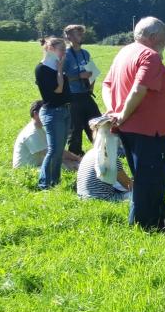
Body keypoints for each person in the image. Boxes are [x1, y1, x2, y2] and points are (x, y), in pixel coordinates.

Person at [102, 16, 165, 231]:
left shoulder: (125, 51)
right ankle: (150, 225)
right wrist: (122, 114)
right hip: (149, 130)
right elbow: (138, 89)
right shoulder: (150, 56)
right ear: (154, 37)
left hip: (133, 128)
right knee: (151, 179)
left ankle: (150, 220)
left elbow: (106, 85)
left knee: (144, 177)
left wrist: (115, 111)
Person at [76, 119, 165, 201]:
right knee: (145, 190)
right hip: (104, 198)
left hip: (84, 196)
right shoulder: (110, 158)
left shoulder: (91, 153)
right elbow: (130, 186)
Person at [34, 37, 72, 189]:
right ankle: (44, 184)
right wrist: (61, 70)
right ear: (50, 49)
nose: (64, 52)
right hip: (52, 113)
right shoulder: (41, 69)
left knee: (59, 150)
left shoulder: (56, 66)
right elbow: (58, 89)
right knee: (54, 150)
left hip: (64, 110)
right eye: (61, 49)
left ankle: (54, 181)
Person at [63, 24, 102, 156]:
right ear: (68, 36)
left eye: (81, 33)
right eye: (77, 33)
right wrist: (78, 76)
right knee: (75, 129)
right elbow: (59, 78)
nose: (81, 35)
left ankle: (102, 150)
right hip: (72, 97)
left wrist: (90, 86)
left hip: (86, 94)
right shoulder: (65, 55)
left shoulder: (85, 53)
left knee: (98, 123)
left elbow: (93, 72)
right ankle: (75, 155)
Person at [13, 100, 80, 170]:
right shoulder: (31, 133)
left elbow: (55, 151)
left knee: (65, 162)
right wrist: (77, 158)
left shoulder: (39, 128)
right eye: (45, 112)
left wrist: (75, 159)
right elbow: (54, 153)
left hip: (38, 164)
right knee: (61, 166)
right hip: (26, 170)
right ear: (36, 114)